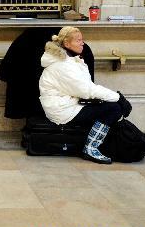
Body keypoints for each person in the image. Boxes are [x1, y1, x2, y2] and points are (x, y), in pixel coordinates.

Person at [39, 26, 132, 164]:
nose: (82, 43)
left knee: (111, 105)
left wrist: (116, 98)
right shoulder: (62, 65)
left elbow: (86, 88)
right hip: (62, 110)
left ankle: (97, 143)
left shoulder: (69, 60)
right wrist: (118, 97)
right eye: (78, 40)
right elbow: (86, 90)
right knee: (113, 108)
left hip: (70, 104)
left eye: (82, 40)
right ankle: (90, 148)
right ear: (66, 44)